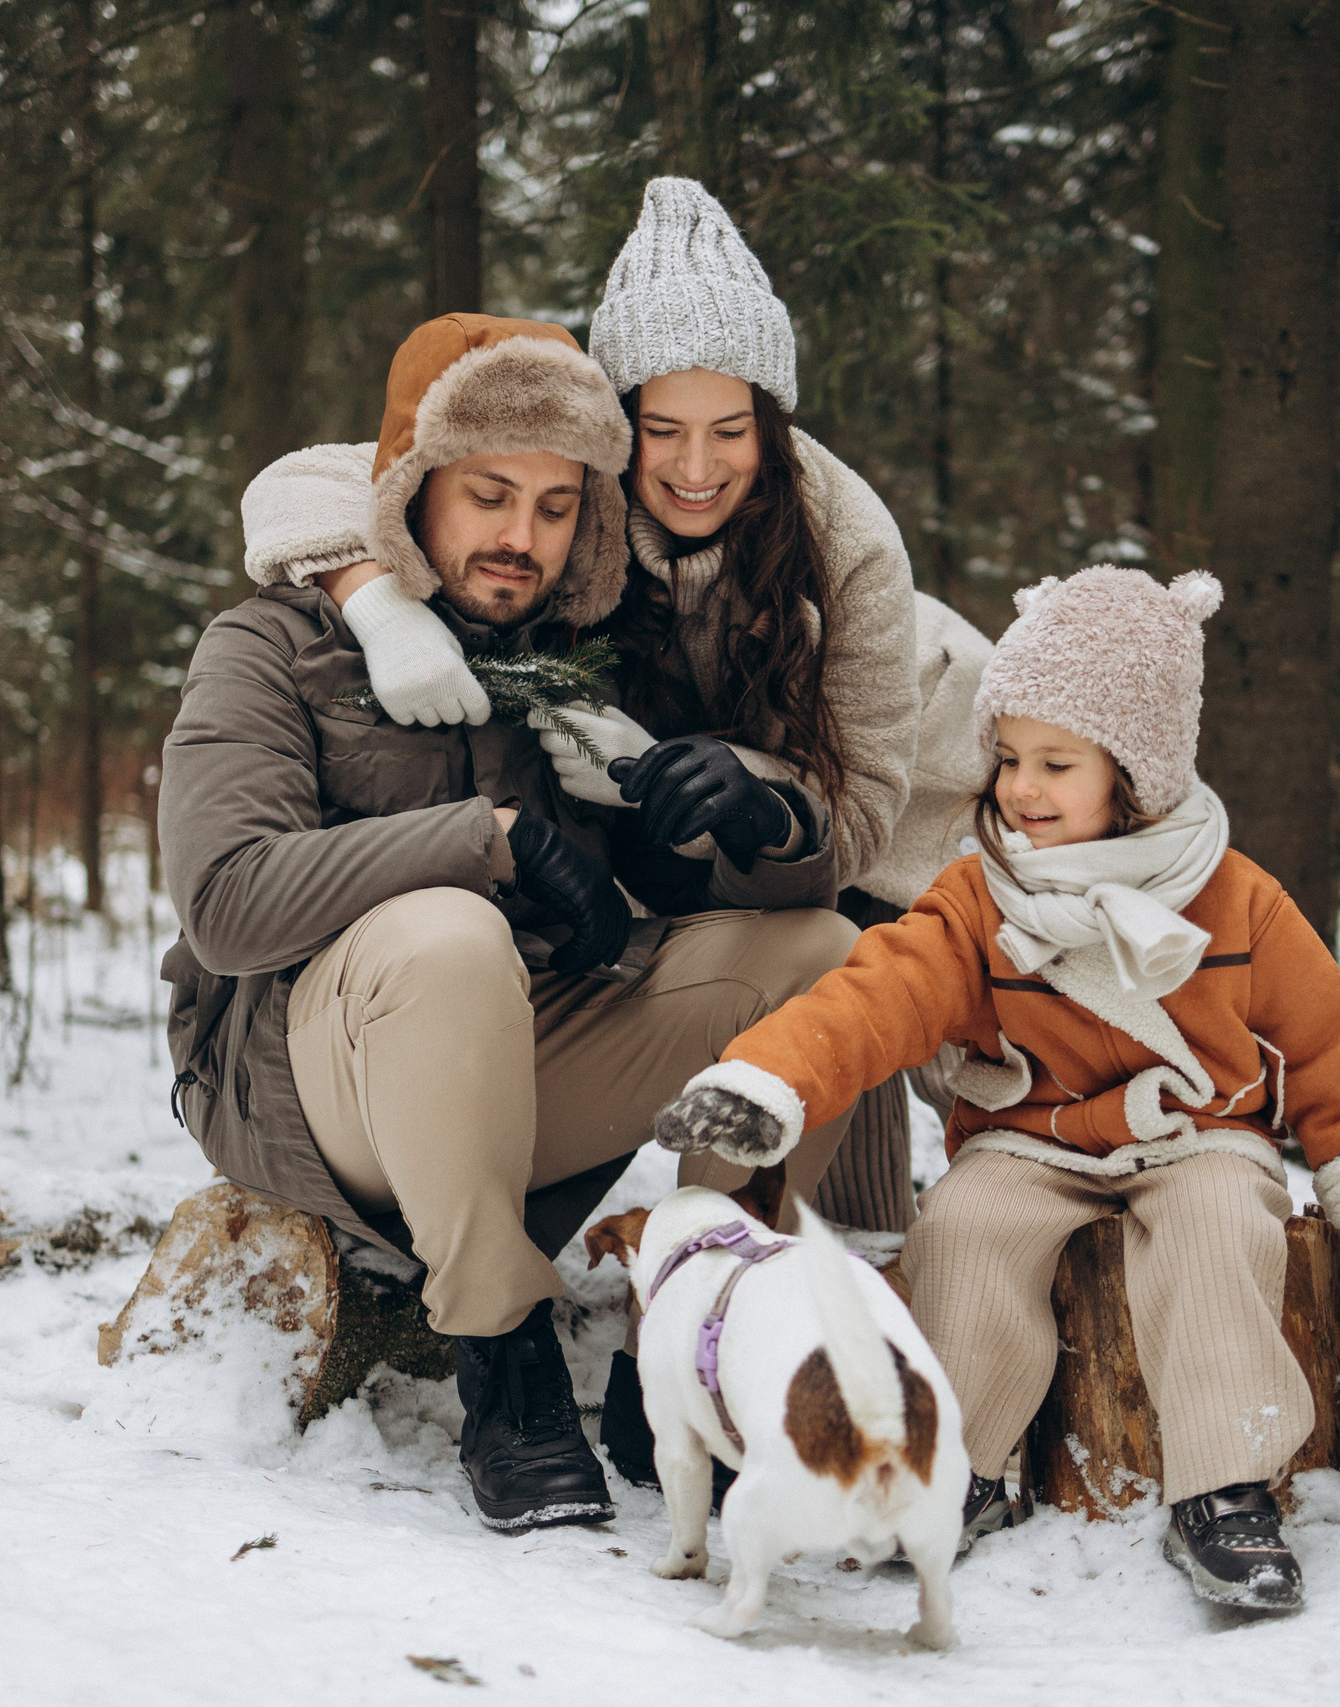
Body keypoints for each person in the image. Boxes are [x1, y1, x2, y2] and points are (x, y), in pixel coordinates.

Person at [648, 566, 1340, 1616]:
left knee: (1223, 1228)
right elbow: (877, 997)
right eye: (1006, 758)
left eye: (1057, 763)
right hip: (1028, 1137)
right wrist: (769, 1078)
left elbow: (1327, 1043)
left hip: (1195, 1135)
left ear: (1134, 777)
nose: (1021, 788)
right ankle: (956, 1465)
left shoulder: (1234, 897)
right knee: (962, 1230)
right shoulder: (976, 895)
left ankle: (1224, 1490)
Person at [162, 313, 863, 1535]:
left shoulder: (572, 661)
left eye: (553, 508)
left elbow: (732, 893)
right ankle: (503, 1357)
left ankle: (703, 1336)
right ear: (411, 491)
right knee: (446, 929)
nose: (518, 537)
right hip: (311, 1088)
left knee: (821, 961)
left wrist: (749, 821)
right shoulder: (273, 646)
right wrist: (487, 841)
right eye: (488, 495)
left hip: (515, 1058)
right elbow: (225, 904)